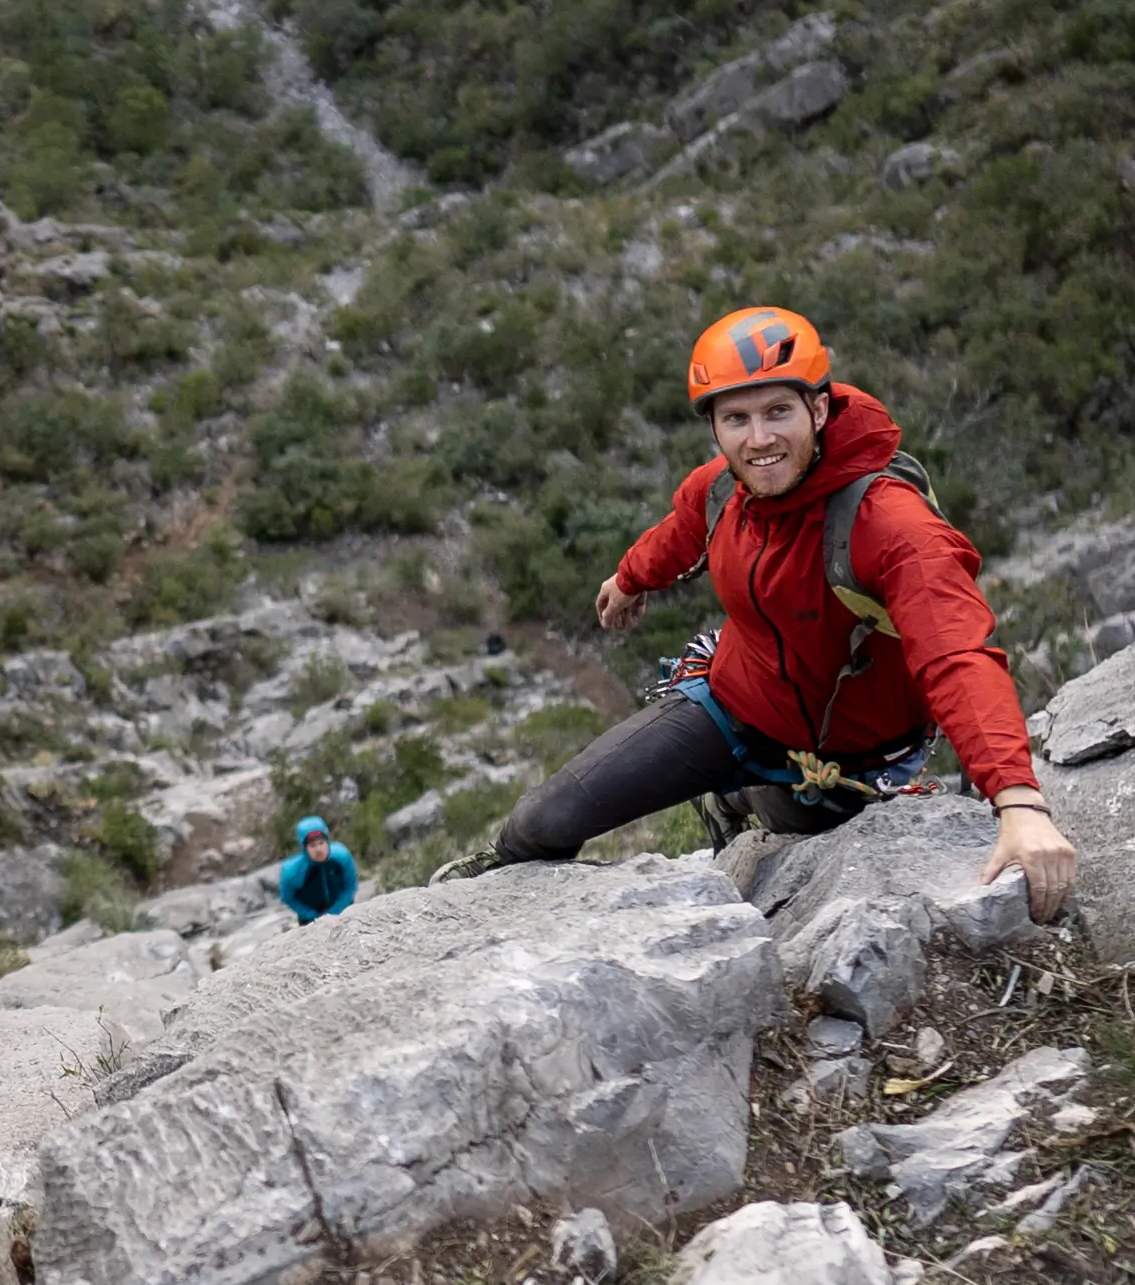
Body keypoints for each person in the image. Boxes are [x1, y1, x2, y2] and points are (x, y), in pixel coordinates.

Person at [441, 306, 1078, 921]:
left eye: (779, 411)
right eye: (737, 419)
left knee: (788, 823)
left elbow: (957, 653)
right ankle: (479, 905)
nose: (760, 438)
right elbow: (681, 530)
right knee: (540, 822)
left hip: (853, 754)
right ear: (714, 429)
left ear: (820, 408)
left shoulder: (893, 527)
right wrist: (629, 580)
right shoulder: (722, 486)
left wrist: (1017, 800)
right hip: (733, 705)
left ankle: (746, 794)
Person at [275, 815, 359, 924]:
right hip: (311, 920)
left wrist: (334, 912)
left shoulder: (341, 857)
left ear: (328, 842)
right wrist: (312, 916)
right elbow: (287, 897)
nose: (319, 849)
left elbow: (351, 886)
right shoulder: (292, 872)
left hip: (343, 911)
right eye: (312, 845)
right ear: (304, 848)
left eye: (321, 843)